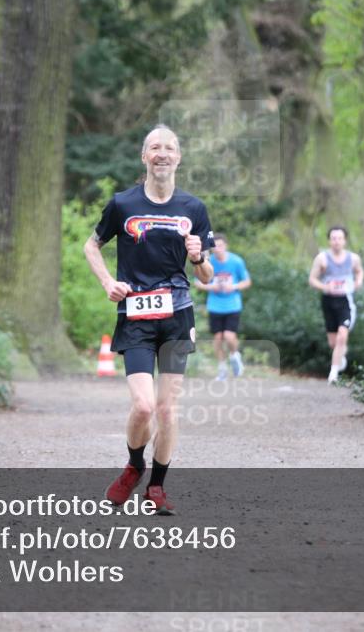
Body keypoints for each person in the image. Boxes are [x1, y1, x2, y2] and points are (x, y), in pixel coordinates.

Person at [83, 124, 214, 515]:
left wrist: (198, 257)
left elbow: (207, 278)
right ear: (144, 156)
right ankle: (134, 465)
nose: (162, 153)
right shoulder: (123, 204)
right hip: (136, 316)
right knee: (142, 407)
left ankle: (156, 487)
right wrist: (108, 281)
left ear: (178, 157)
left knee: (167, 410)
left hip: (177, 316)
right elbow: (91, 245)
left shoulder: (193, 209)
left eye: (169, 148)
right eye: (154, 147)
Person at [308, 226, 364, 384]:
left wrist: (358, 282)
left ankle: (333, 374)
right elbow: (312, 279)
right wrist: (325, 287)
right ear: (329, 241)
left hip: (345, 300)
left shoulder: (353, 258)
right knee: (333, 342)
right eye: (333, 238)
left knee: (342, 335)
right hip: (328, 301)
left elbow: (359, 271)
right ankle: (340, 357)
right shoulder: (322, 259)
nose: (336, 242)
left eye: (339, 238)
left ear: (345, 240)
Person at [194, 234, 251, 380]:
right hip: (215, 305)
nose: (217, 249)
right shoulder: (208, 262)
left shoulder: (236, 261)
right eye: (214, 247)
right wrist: (213, 286)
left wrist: (233, 286)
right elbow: (198, 282)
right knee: (218, 337)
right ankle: (222, 368)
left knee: (229, 335)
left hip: (232, 304)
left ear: (226, 245)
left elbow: (247, 282)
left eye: (220, 246)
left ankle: (234, 356)